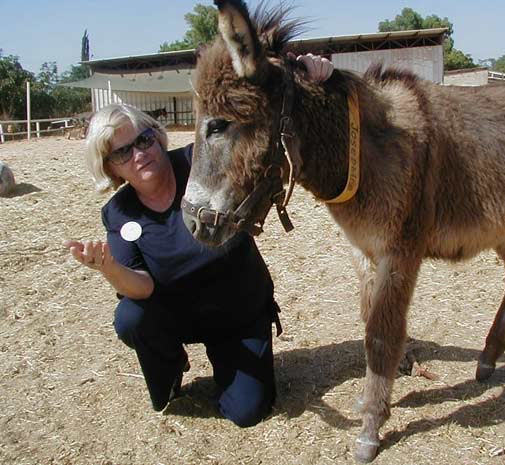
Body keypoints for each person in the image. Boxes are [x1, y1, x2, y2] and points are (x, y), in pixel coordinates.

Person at [63, 54, 333, 427]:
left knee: (247, 412)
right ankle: (172, 362)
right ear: (110, 167)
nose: (140, 154)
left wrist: (306, 73)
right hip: (177, 316)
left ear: (157, 137)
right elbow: (140, 288)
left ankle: (235, 361)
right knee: (130, 317)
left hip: (237, 313)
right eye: (123, 151)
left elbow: (256, 110)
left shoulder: (202, 162)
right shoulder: (119, 213)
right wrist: (108, 266)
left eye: (144, 140)